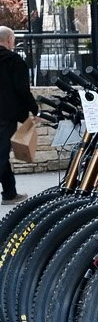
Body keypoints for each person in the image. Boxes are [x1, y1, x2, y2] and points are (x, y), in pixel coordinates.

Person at [0, 26, 37, 203]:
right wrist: (34, 110)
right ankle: (9, 194)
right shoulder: (14, 61)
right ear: (9, 40)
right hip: (6, 115)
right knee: (1, 155)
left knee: (1, 154)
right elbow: (22, 90)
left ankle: (10, 193)